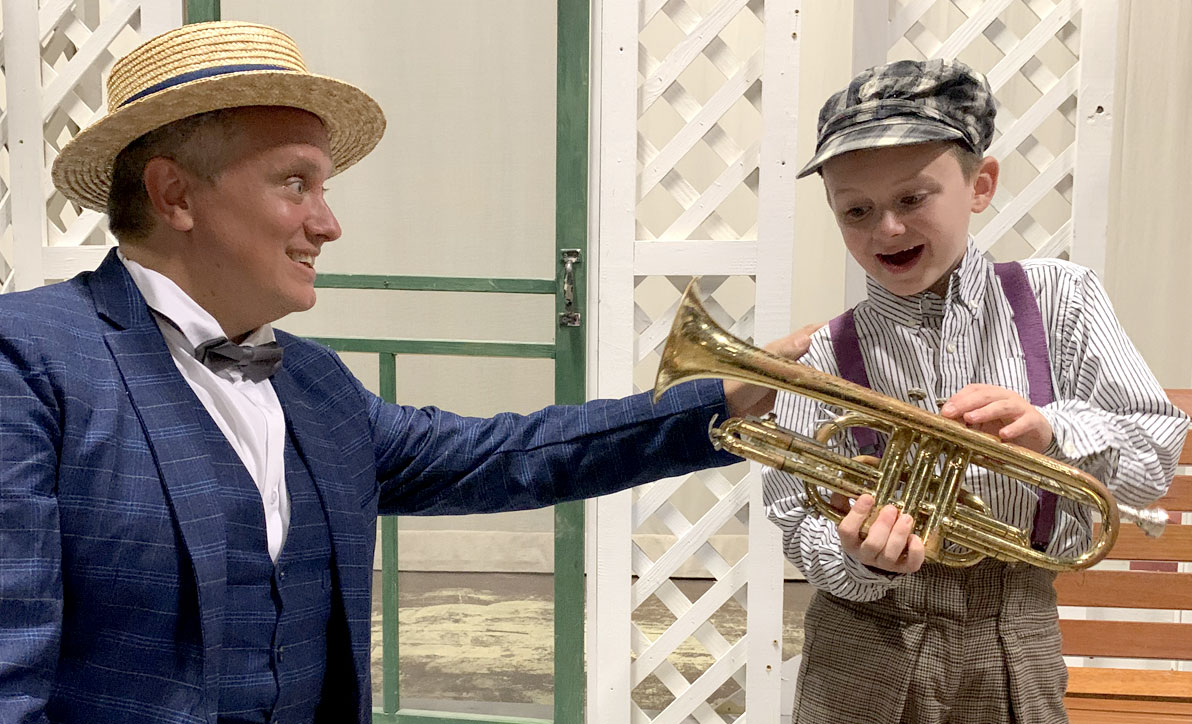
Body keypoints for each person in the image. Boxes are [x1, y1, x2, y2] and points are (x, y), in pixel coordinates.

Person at [0, 21, 812, 724]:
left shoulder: (314, 384)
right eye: (295, 183)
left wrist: (727, 397)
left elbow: (503, 455)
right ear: (174, 193)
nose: (329, 223)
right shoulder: (30, 361)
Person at [762, 58, 1188, 724]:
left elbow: (1154, 459)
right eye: (857, 210)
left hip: (1014, 634)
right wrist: (856, 557)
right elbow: (795, 517)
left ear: (980, 185)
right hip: (860, 645)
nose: (888, 230)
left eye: (912, 198)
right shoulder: (823, 356)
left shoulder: (1062, 301)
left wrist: (1053, 428)